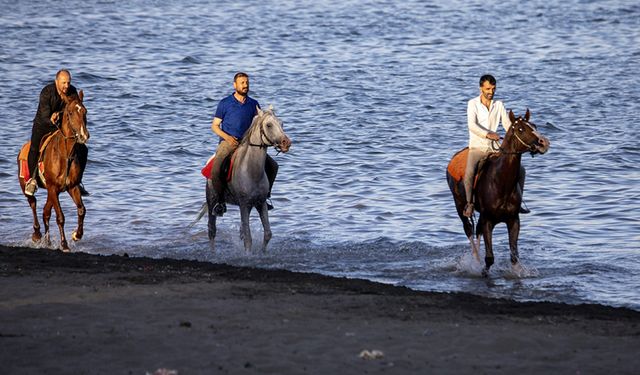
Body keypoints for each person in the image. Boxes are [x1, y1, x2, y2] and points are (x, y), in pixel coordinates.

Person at [209, 72, 278, 216]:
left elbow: (258, 127)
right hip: (228, 143)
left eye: (247, 82)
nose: (245, 85)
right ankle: (220, 202)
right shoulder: (225, 103)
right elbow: (214, 126)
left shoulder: (254, 104)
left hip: (248, 145)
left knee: (273, 166)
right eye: (242, 83)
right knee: (216, 169)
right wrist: (227, 138)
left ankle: (266, 196)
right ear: (235, 85)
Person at [463, 74, 528, 217]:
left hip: (495, 149)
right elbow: (472, 125)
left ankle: (518, 201)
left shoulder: (499, 105)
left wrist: (519, 133)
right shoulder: (472, 104)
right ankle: (469, 204)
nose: (491, 92)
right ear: (480, 88)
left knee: (521, 170)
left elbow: (507, 126)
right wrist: (488, 134)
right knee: (469, 173)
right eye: (488, 89)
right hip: (478, 147)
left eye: (493, 89)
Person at [24, 69, 89, 197]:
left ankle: (78, 182)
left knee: (83, 149)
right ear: (56, 82)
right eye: (63, 83)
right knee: (34, 149)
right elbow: (43, 115)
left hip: (62, 127)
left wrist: (60, 115)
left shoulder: (72, 92)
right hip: (43, 125)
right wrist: (51, 118)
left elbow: (75, 109)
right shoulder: (47, 92)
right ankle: (32, 180)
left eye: (68, 83)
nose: (66, 86)